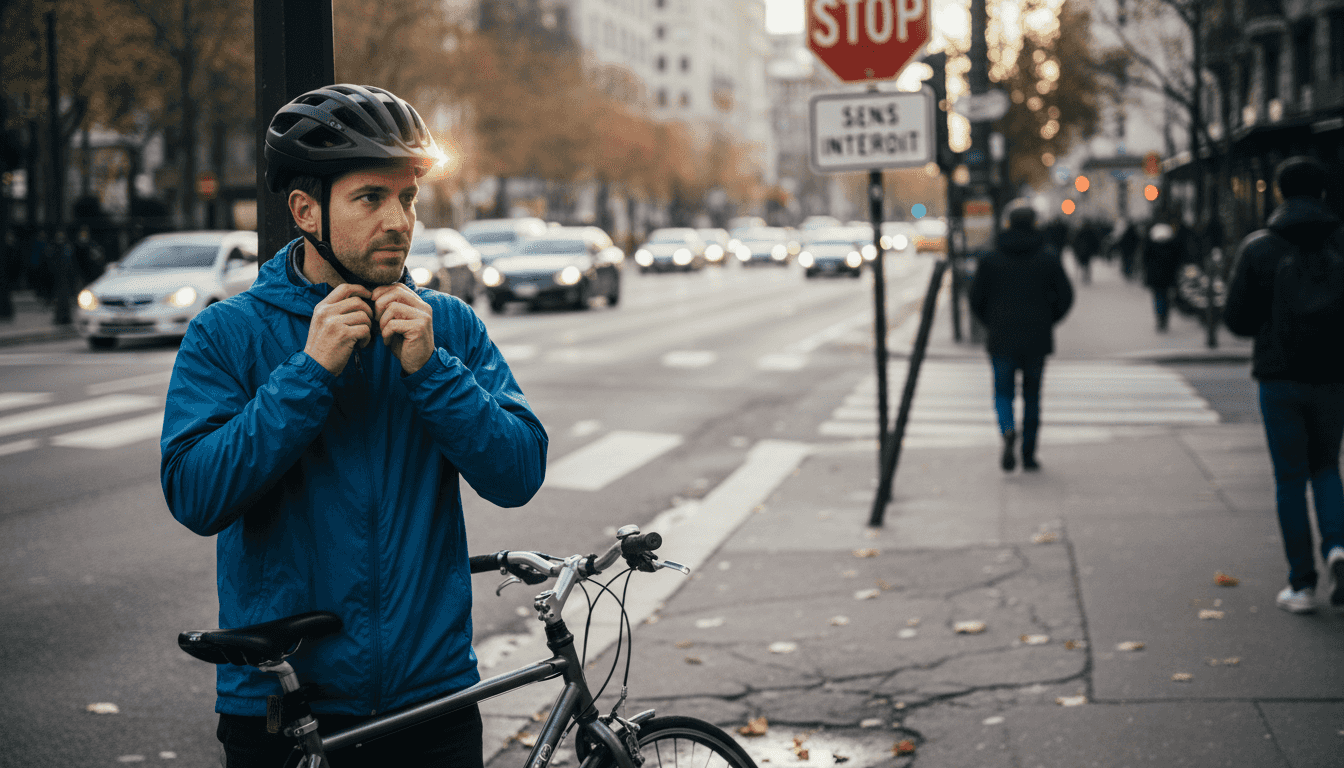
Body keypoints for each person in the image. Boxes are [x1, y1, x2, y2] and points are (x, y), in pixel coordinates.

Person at [160, 84, 549, 767]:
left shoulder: (448, 326)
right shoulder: (227, 335)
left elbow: (518, 473)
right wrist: (309, 373)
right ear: (306, 211)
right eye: (371, 198)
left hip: (434, 700)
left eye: (408, 198)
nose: (399, 220)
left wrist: (433, 373)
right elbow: (196, 494)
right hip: (285, 704)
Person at [1224, 155, 1344, 614]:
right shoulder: (1341, 242)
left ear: (1278, 192)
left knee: (1290, 479)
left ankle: (1302, 585)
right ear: (1324, 192)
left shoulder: (1260, 248)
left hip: (1279, 377)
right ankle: (1337, 548)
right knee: (1327, 467)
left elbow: (1237, 319)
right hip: (1333, 375)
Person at [969, 201, 1074, 472]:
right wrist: (1049, 320)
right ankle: (1028, 454)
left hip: (1001, 337)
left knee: (1003, 392)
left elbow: (976, 299)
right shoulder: (1048, 257)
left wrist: (991, 322)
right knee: (1032, 397)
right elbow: (1065, 296)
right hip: (1037, 338)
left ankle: (1007, 429)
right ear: (1035, 224)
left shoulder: (991, 258)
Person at [1141, 215, 1186, 332]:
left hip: (1155, 276)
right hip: (1168, 276)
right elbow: (1178, 259)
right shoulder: (1171, 243)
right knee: (1166, 297)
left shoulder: (1151, 242)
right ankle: (1164, 319)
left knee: (1158, 298)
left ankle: (1160, 319)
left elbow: (1145, 259)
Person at [1070, 220, 1101, 284]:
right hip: (1088, 251)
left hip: (1082, 250)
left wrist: (1075, 250)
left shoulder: (1080, 231)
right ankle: (1087, 276)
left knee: (1083, 264)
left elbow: (1075, 241)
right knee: (1087, 263)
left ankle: (1084, 276)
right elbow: (1095, 242)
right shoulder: (1091, 232)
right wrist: (1095, 250)